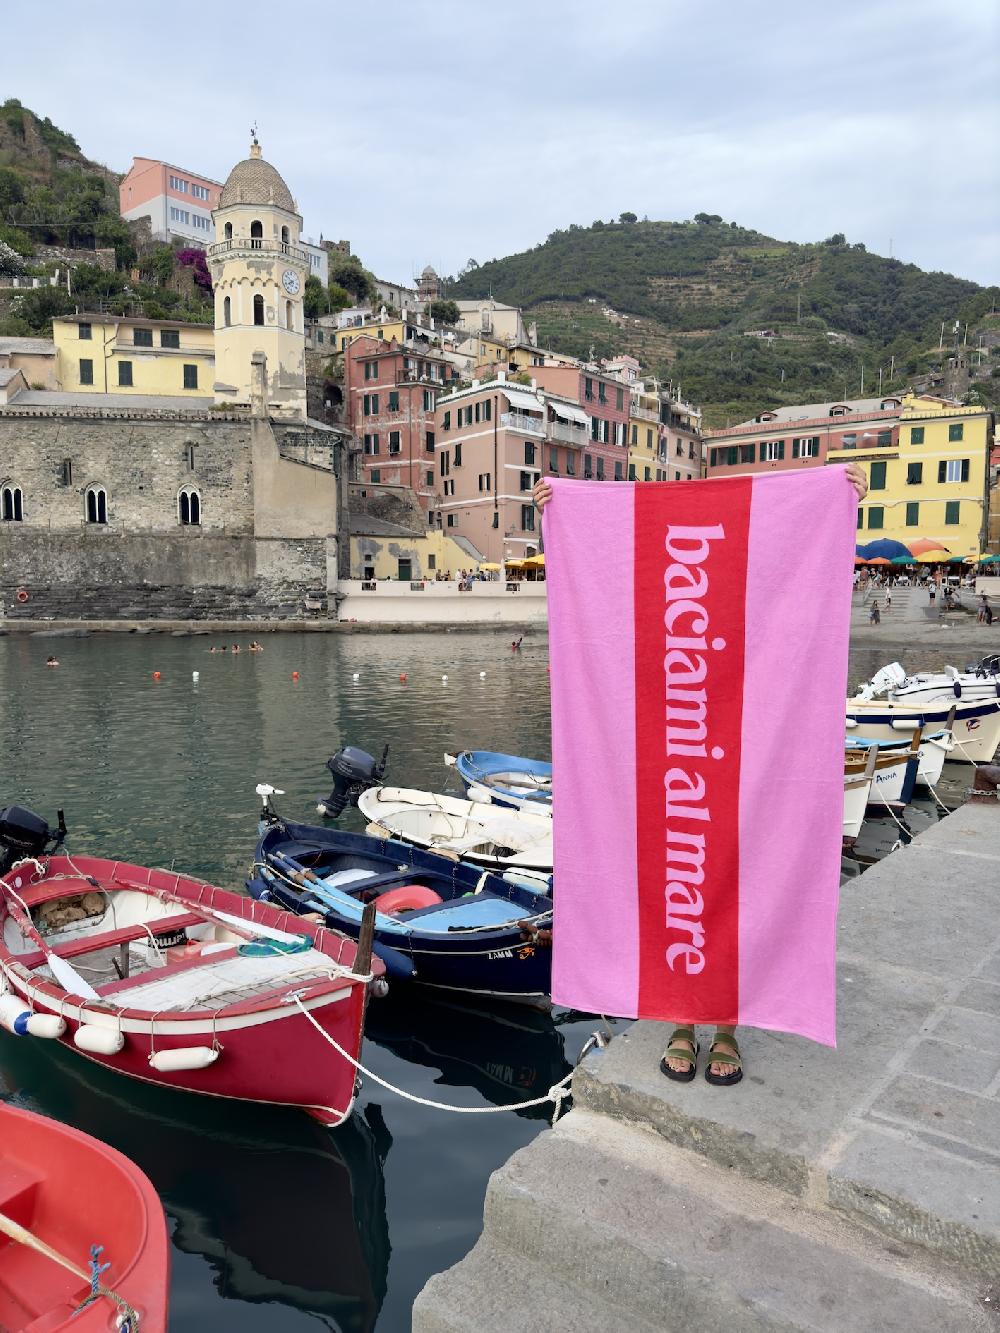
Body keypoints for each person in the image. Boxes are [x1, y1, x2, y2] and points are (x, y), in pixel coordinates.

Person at [532, 460, 869, 1086]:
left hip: (740, 734)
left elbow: (792, 563)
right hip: (669, 741)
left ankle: (726, 1029)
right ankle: (680, 1022)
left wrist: (836, 498)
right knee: (671, 871)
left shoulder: (746, 588)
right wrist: (560, 504)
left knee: (733, 873)